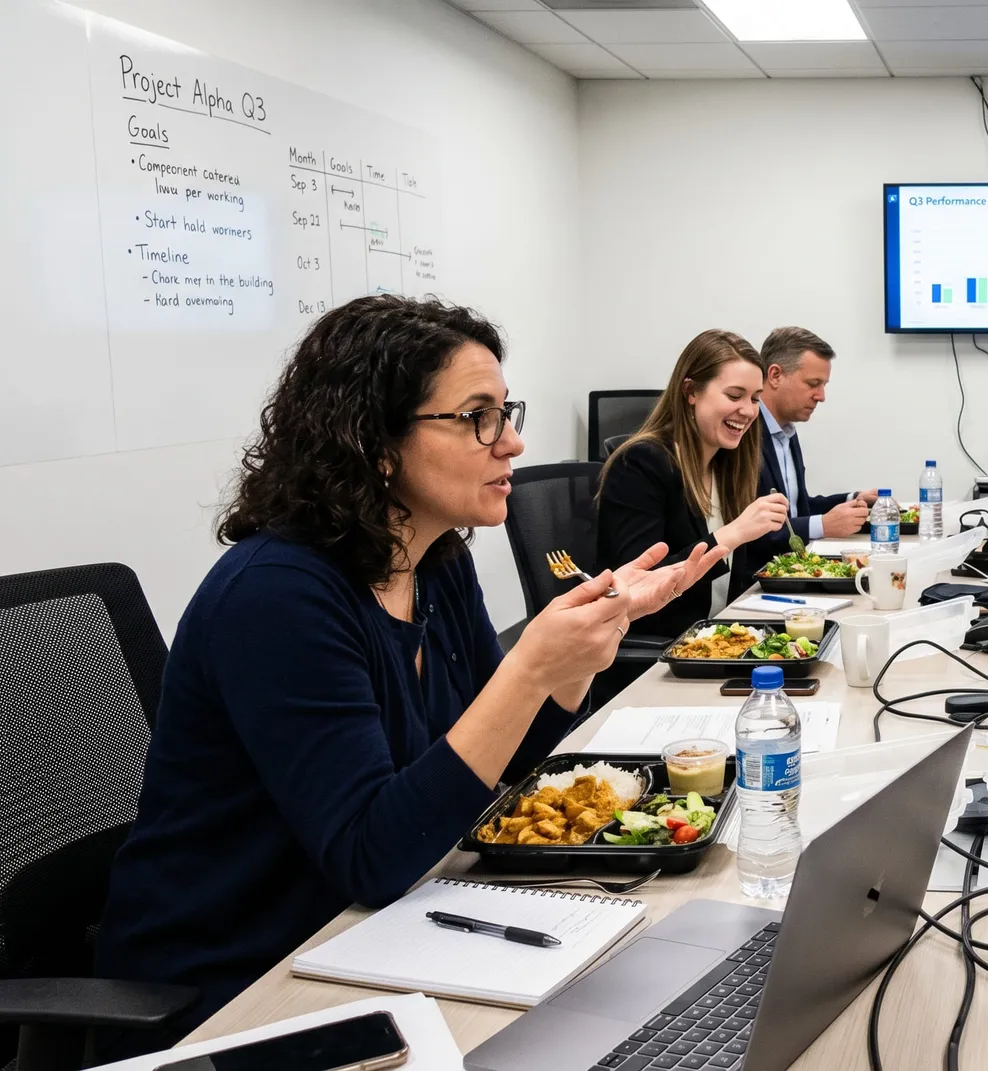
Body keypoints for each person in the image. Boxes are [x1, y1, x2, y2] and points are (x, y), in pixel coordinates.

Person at [93, 296, 726, 1050]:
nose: (513, 442)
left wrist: (578, 655)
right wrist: (527, 669)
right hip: (238, 983)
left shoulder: (437, 561)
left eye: (507, 411)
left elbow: (510, 761)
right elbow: (372, 855)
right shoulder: (277, 595)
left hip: (378, 936)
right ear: (377, 442)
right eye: (479, 416)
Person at [597, 329, 791, 641]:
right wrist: (734, 533)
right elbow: (635, 586)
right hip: (662, 651)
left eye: (755, 399)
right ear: (691, 391)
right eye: (734, 395)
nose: (748, 410)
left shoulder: (727, 465)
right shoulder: (640, 463)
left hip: (721, 637)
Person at [735, 326, 877, 581]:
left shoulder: (786, 430)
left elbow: (796, 508)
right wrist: (822, 525)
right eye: (813, 384)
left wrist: (852, 499)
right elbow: (749, 532)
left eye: (823, 385)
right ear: (775, 375)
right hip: (755, 583)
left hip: (792, 572)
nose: (821, 396)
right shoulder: (742, 434)